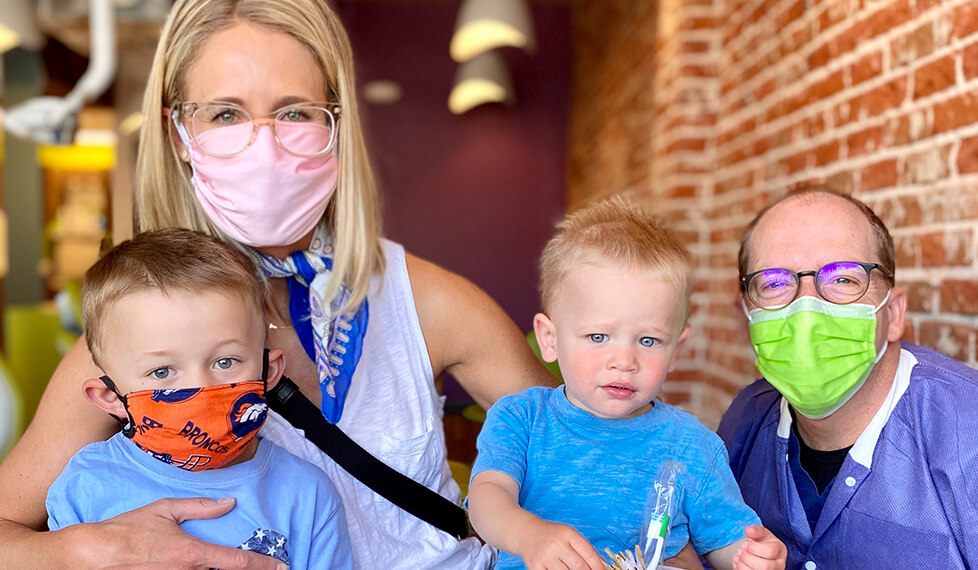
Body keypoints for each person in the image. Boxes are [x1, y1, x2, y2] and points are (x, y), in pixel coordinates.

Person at [0, 1, 557, 568]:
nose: (263, 143)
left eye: (295, 113)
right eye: (224, 114)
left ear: (336, 126)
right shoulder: (133, 341)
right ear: (177, 133)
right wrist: (83, 549)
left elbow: (582, 454)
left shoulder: (430, 302)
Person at [468, 197, 787, 570]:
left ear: (676, 351)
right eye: (599, 337)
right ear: (549, 339)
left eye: (648, 341)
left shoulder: (692, 444)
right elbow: (487, 498)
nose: (624, 361)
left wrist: (750, 557)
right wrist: (530, 534)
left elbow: (724, 541)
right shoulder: (522, 419)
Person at [45, 229, 352, 569]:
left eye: (225, 362)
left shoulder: (307, 496)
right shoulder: (85, 486)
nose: (201, 388)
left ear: (269, 372)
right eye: (162, 372)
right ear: (109, 396)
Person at [718, 187, 978, 568]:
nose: (807, 308)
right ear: (747, 316)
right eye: (774, 283)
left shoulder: (966, 433)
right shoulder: (746, 419)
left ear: (894, 314)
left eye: (843, 279)